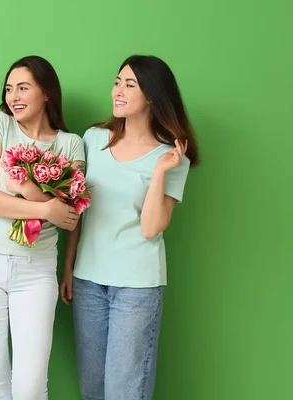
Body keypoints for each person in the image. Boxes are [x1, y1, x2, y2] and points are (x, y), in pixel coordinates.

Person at [60, 55, 200, 400]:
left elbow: (152, 227)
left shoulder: (171, 158)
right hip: (88, 281)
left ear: (151, 95)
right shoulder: (93, 139)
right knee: (93, 389)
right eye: (117, 82)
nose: (117, 91)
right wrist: (68, 265)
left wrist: (159, 173)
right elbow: (78, 206)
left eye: (129, 85)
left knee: (125, 391)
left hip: (137, 288)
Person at [0, 55, 85, 400]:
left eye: (24, 88)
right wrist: (44, 206)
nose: (14, 96)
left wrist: (25, 190)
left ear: (46, 93)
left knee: (30, 388)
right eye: (9, 88)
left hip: (37, 269)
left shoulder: (71, 143)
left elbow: (69, 211)